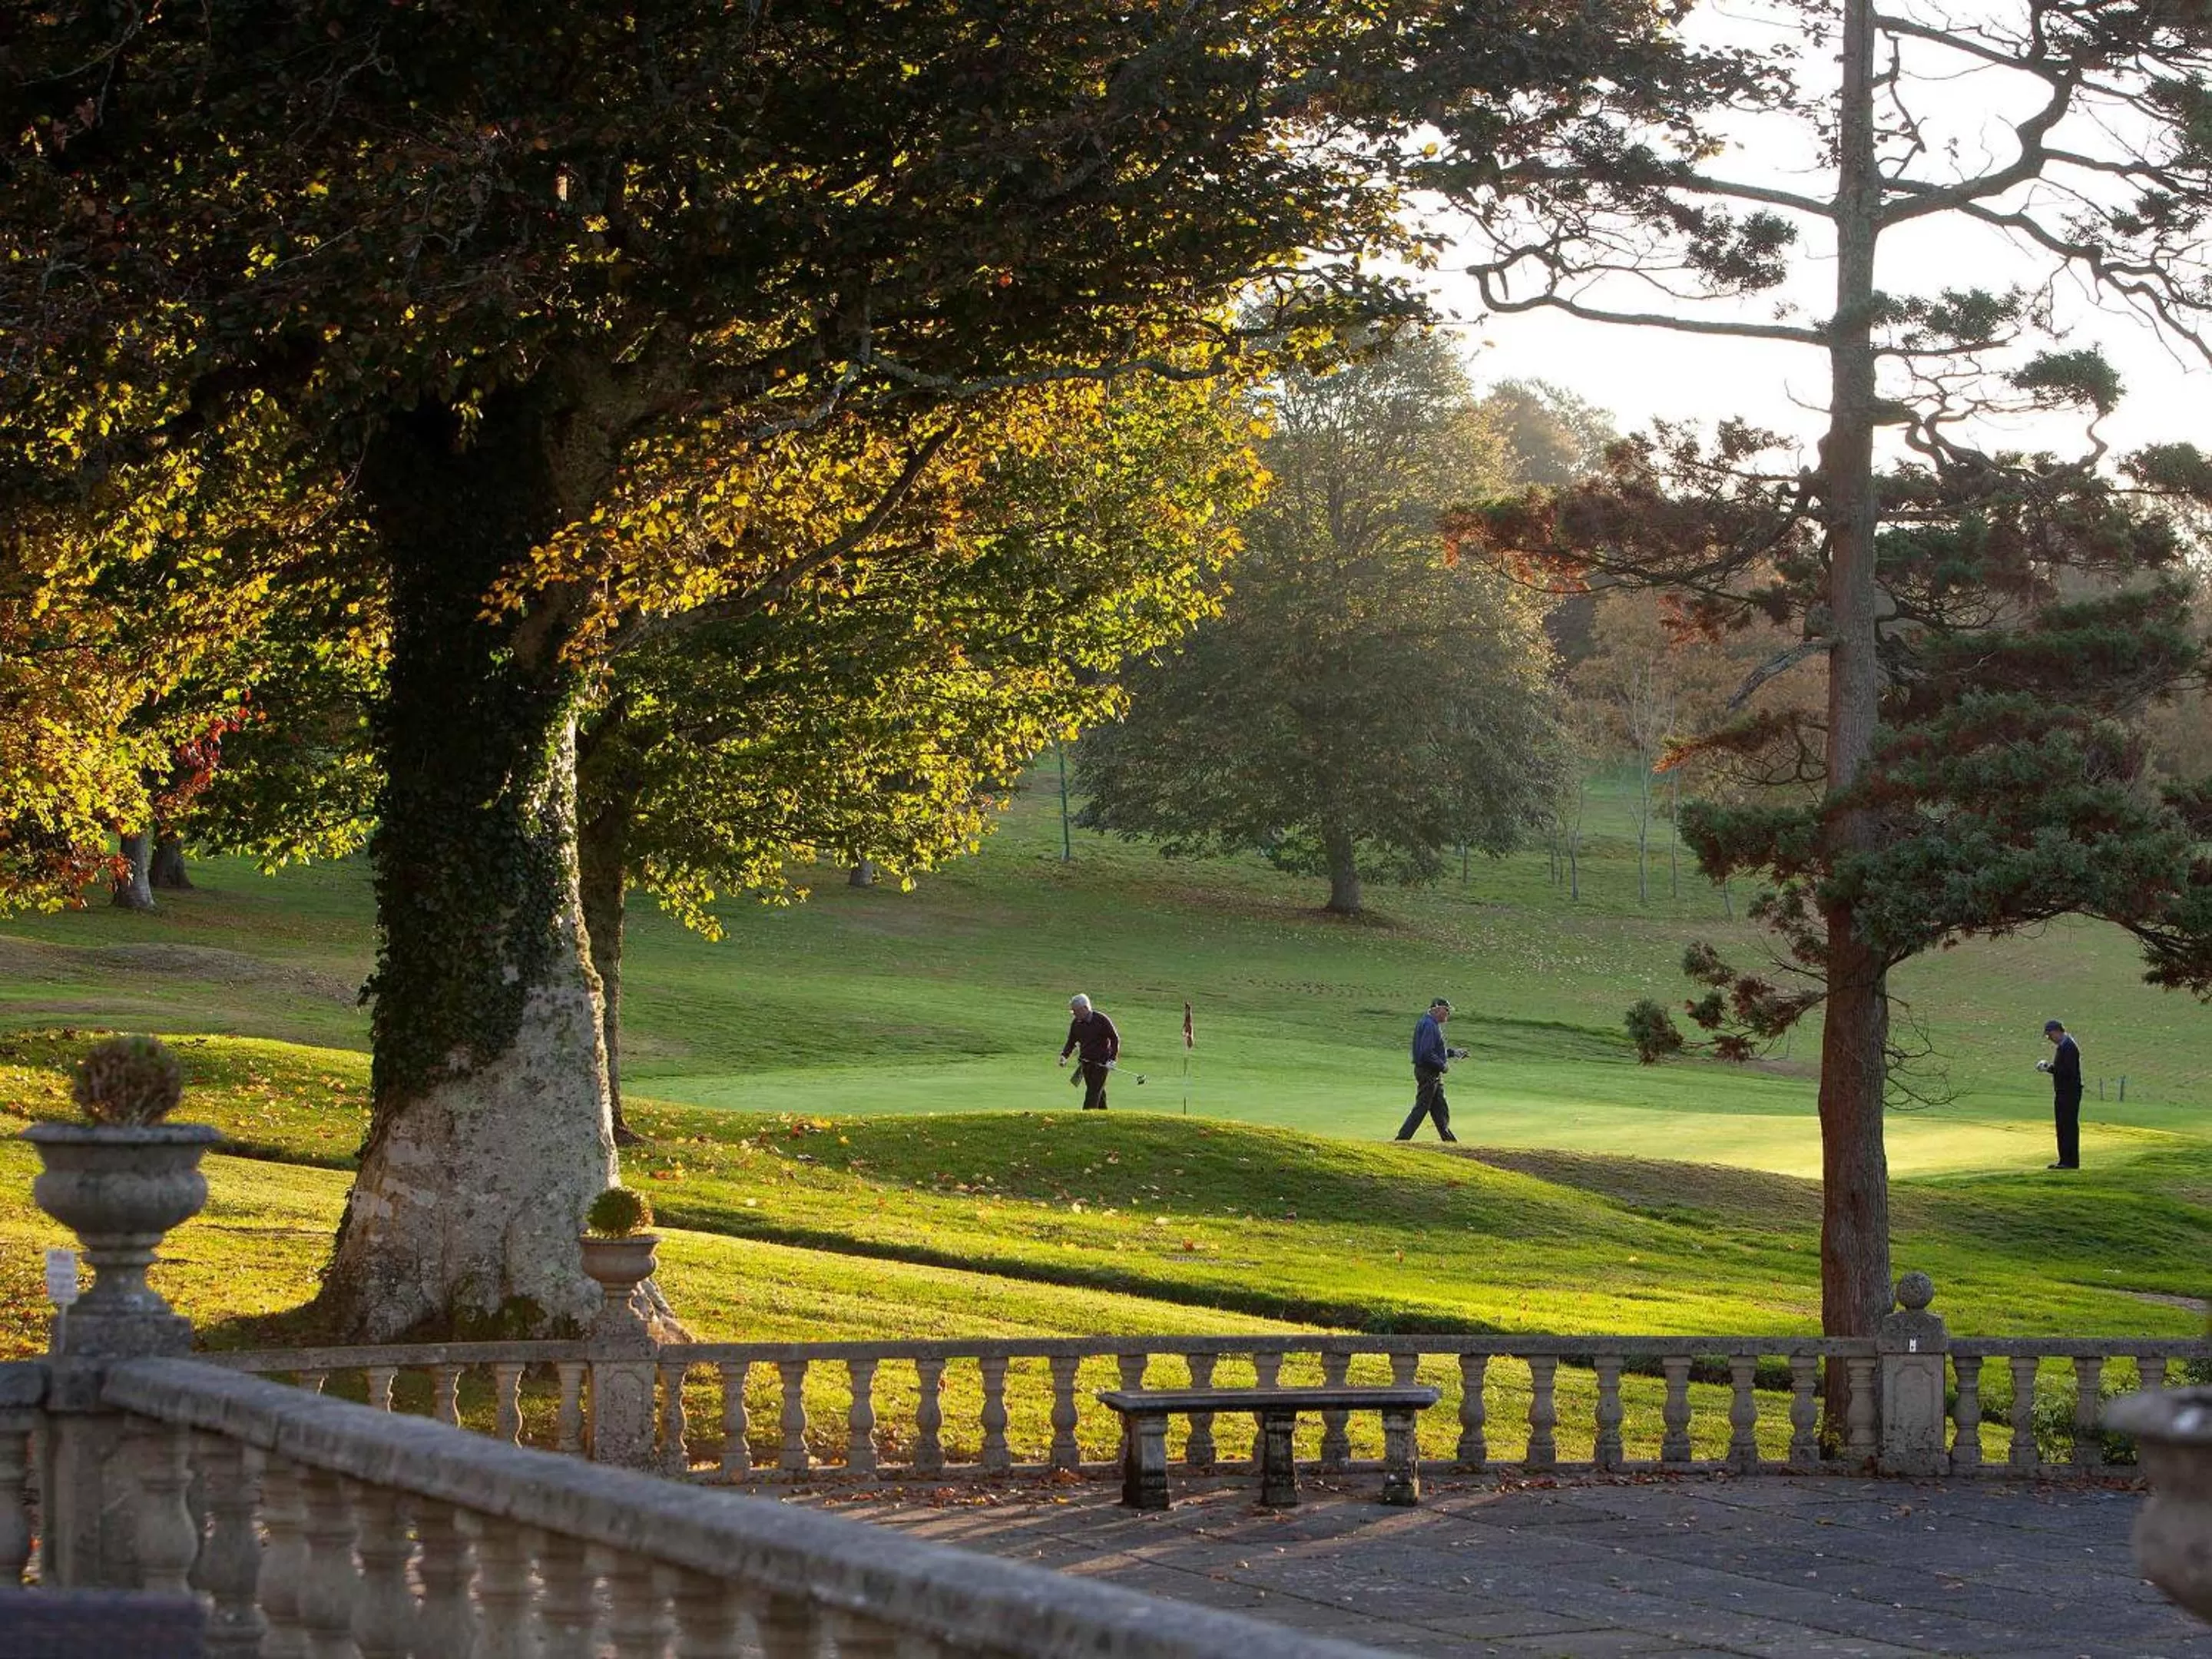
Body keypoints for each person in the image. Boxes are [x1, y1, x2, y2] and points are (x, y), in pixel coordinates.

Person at [1397, 997, 1469, 1143]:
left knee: (1440, 1109)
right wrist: (1443, 1066)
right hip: (1428, 1073)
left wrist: (1453, 1053)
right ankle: (1401, 1140)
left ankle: (1449, 1141)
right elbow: (1426, 1054)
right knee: (1422, 1108)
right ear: (1437, 1009)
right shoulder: (1429, 1025)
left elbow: (1434, 1051)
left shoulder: (1430, 1023)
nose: (1448, 1014)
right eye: (1446, 1010)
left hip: (1431, 1073)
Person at [1058, 993, 1121, 1111]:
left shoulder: (1101, 1020)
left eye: (1076, 1011)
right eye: (1073, 1012)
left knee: (1092, 1092)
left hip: (1101, 1064)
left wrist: (1112, 1059)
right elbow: (1071, 1041)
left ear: (1085, 1008)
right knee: (1098, 1091)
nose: (1074, 1014)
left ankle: (1086, 1117)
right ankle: (1104, 1116)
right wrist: (1064, 1055)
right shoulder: (1076, 1023)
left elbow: (1115, 1039)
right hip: (1086, 1064)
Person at [2036, 1018, 2083, 1170]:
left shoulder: (2068, 1047)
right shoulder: (2065, 1045)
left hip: (2069, 1092)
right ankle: (2065, 1161)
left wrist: (2049, 1068)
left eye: (2049, 1034)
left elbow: (2067, 1072)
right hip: (2065, 1092)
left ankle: (2070, 1162)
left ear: (2057, 1031)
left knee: (2067, 1126)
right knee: (2063, 1126)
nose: (2049, 1038)